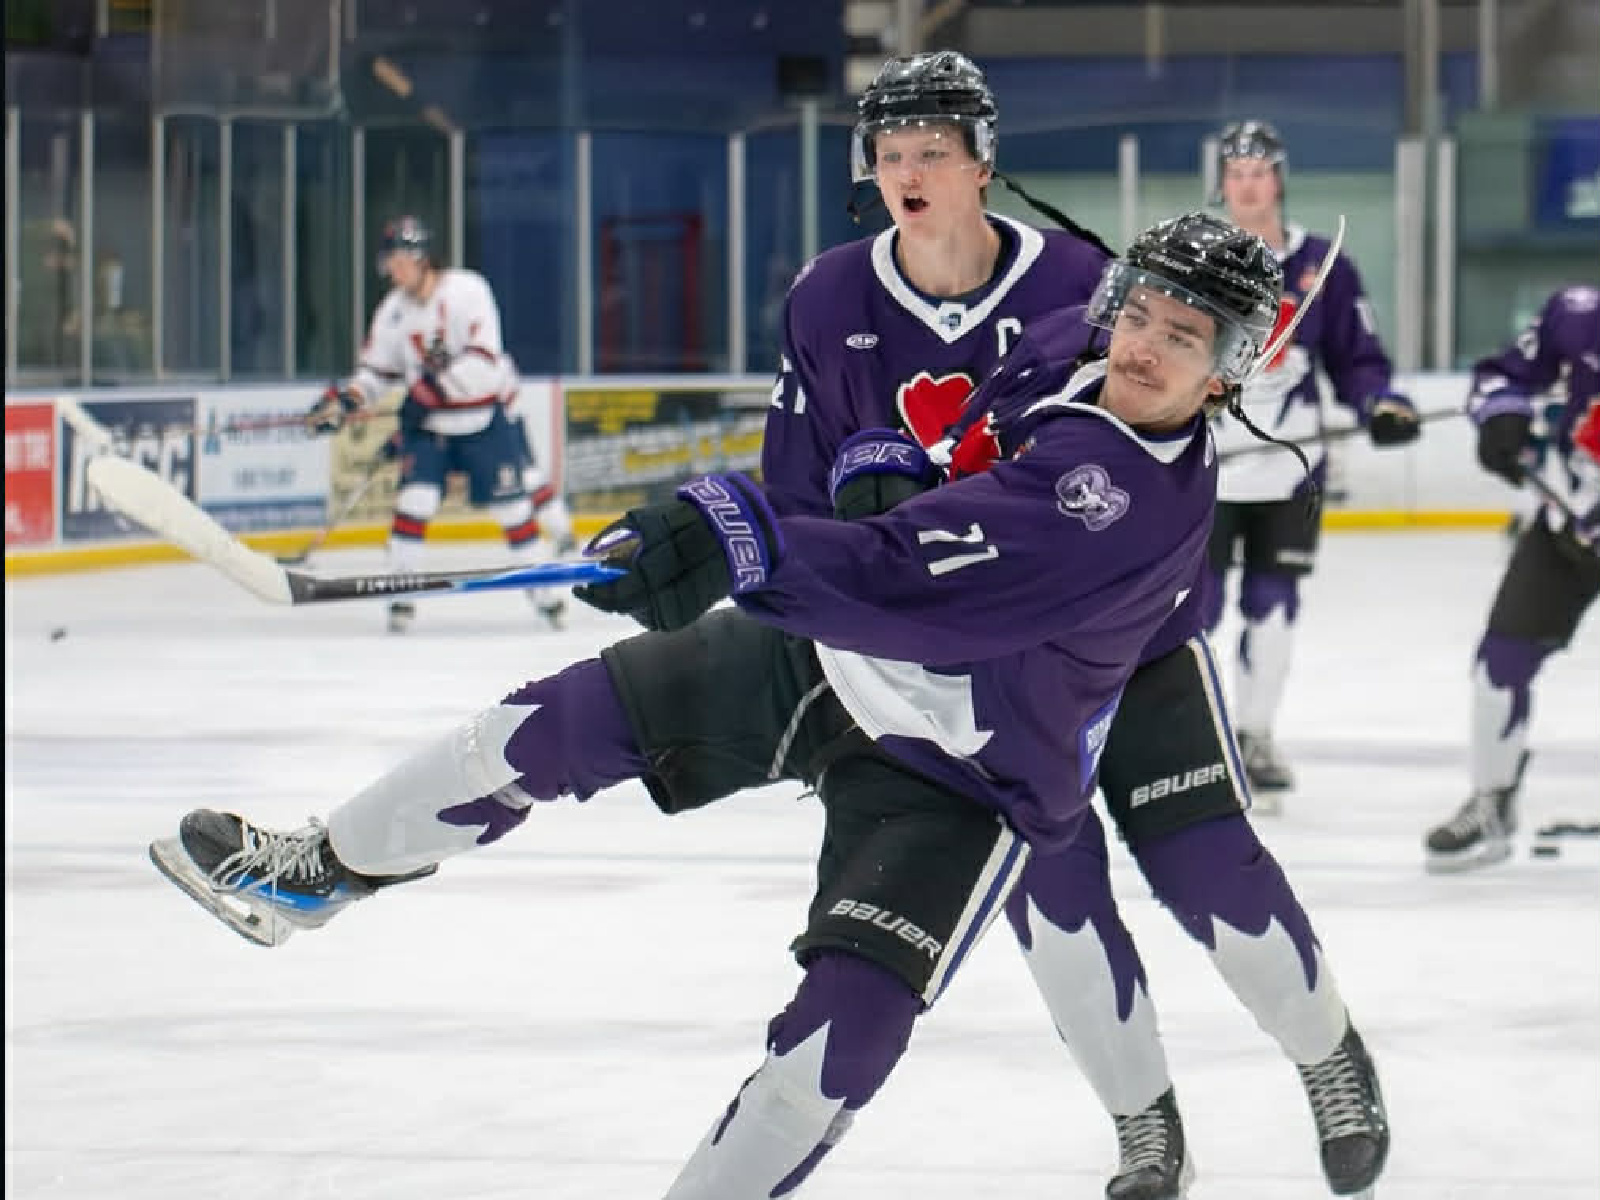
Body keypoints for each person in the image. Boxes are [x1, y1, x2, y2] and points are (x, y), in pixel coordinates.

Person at [150, 213, 1291, 1199]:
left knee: (832, 1053)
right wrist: (885, 459)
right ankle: (319, 869)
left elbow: (913, 586)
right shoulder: (1065, 348)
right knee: (539, 726)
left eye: (1185, 338)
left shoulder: (1125, 506)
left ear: (1228, 369)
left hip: (963, 774)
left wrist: (736, 534)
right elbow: (939, 454)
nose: (1145, 345)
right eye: (1141, 313)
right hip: (829, 661)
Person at [770, 57, 1386, 1200]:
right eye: (891, 155)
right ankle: (1146, 1127)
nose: (910, 174)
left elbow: (1152, 440)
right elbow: (810, 487)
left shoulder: (1092, 281)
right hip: (986, 675)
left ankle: (1326, 1055)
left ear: (982, 162)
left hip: (1129, 645)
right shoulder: (831, 297)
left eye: (932, 152)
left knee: (1215, 882)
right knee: (1056, 914)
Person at [1207, 119, 1422, 802]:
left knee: (1273, 611)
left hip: (1290, 470)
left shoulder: (1322, 264)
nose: (1248, 185)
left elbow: (1358, 359)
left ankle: (1256, 735)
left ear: (1278, 179)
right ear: (1223, 183)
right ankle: (1197, 740)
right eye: (1236, 173)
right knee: (1193, 617)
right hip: (1202, 470)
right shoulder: (1192, 258)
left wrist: (1379, 404)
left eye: (1259, 171)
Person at [303, 214, 574, 633]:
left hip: (482, 421)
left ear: (419, 257)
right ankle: (402, 598)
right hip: (430, 428)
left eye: (397, 261)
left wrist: (429, 393)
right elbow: (377, 371)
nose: (392, 271)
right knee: (415, 502)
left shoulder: (469, 291)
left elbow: (486, 362)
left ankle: (545, 595)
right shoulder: (392, 312)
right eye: (388, 263)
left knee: (513, 508)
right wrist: (350, 398)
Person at [1424, 284, 1600, 871]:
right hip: (1566, 526)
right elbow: (1503, 374)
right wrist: (1502, 419)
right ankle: (1492, 801)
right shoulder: (1576, 314)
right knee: (1499, 665)